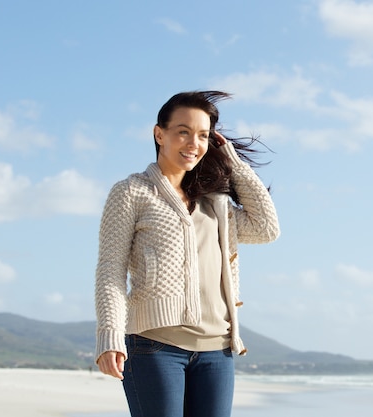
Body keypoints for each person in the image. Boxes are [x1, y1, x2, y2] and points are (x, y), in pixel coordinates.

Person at [94, 90, 280, 417]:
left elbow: (266, 228)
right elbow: (111, 270)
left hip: (217, 351)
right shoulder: (131, 192)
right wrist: (110, 337)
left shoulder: (216, 203)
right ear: (159, 133)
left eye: (204, 135)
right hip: (154, 348)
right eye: (183, 131)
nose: (193, 142)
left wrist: (233, 161)